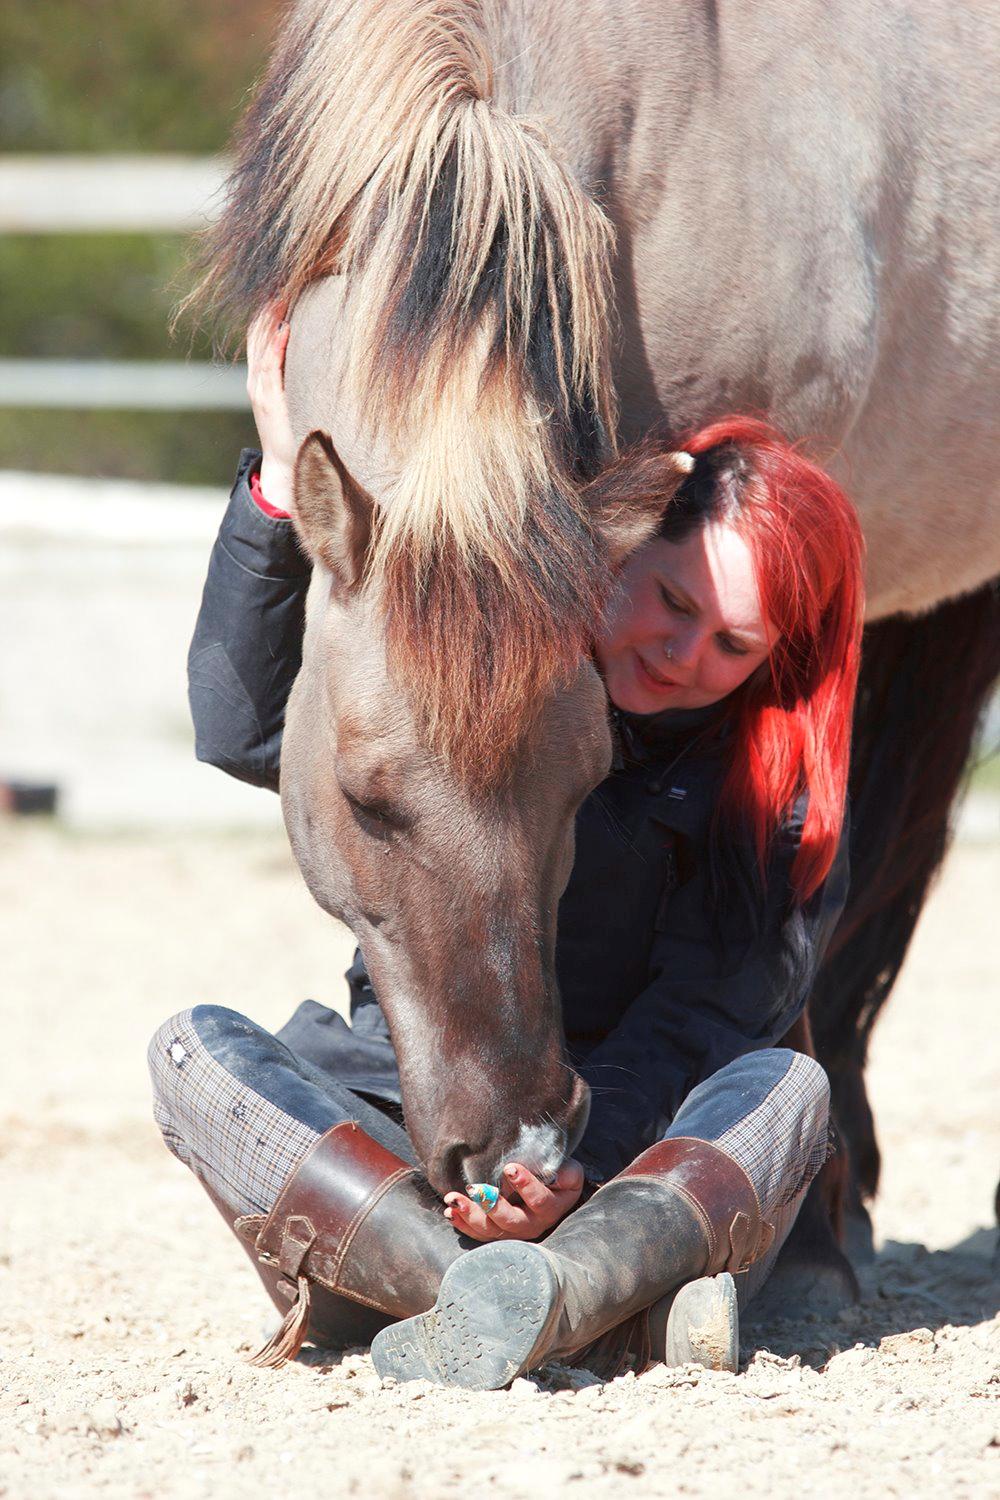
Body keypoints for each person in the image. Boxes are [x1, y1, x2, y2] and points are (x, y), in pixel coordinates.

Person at [149, 305, 863, 1385]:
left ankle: (504, 1288)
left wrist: (565, 1171)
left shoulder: (772, 797)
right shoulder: (492, 683)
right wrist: (280, 494)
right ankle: (547, 1305)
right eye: (669, 599)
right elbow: (245, 731)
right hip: (415, 1126)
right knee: (193, 1053)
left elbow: (696, 1022)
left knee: (784, 1090)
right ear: (608, 553)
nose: (679, 652)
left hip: (634, 1164)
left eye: (730, 643)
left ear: (772, 659)